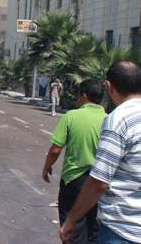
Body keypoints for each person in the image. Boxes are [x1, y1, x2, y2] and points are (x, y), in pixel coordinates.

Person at [60, 61, 141, 244]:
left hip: (122, 230)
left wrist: (71, 220)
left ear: (109, 87)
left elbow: (99, 182)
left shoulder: (119, 119)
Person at [42, 79, 106, 243]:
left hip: (74, 181)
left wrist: (46, 168)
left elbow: (56, 149)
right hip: (100, 182)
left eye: (78, 95)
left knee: (71, 232)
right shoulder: (109, 119)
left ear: (83, 96)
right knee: (94, 231)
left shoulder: (71, 116)